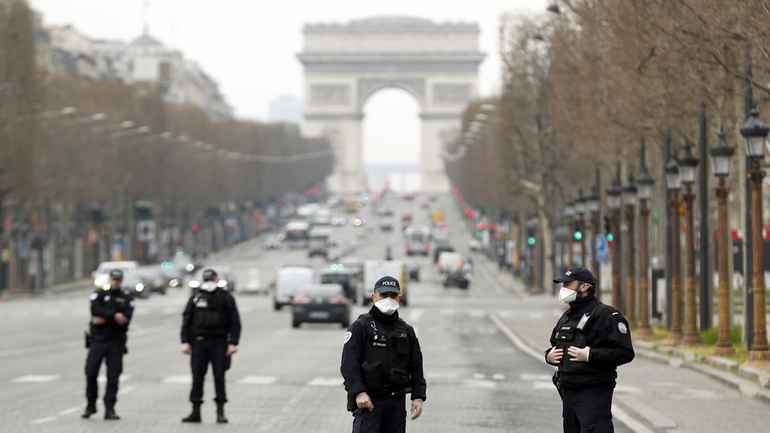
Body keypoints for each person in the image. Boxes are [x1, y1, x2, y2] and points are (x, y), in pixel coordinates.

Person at [545, 267, 635, 433]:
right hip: (568, 392)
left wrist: (590, 355)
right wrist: (549, 356)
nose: (563, 288)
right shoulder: (566, 316)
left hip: (594, 393)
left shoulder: (607, 315)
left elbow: (625, 353)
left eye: (568, 284)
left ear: (584, 287)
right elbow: (554, 345)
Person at [341, 276, 426, 433]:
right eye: (383, 295)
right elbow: (349, 364)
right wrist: (359, 392)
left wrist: (418, 397)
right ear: (374, 297)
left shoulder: (406, 331)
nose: (388, 299)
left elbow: (416, 365)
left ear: (399, 297)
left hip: (396, 403)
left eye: (393, 296)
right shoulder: (360, 327)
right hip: (369, 402)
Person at [180, 269, 241, 423]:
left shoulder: (226, 297)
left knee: (219, 376)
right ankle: (195, 411)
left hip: (219, 342)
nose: (208, 284)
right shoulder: (195, 298)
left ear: (217, 279)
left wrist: (233, 343)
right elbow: (186, 321)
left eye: (211, 280)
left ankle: (220, 412)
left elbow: (235, 322)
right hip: (199, 342)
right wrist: (185, 341)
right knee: (197, 377)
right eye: (206, 281)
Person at [82, 269, 134, 420]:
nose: (115, 282)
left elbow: (127, 318)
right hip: (97, 341)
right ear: (109, 279)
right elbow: (94, 310)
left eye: (118, 279)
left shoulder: (126, 297)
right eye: (113, 279)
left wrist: (104, 317)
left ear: (121, 281)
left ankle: (110, 408)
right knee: (91, 373)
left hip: (115, 342)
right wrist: (114, 315)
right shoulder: (100, 294)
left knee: (113, 377)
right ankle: (90, 404)